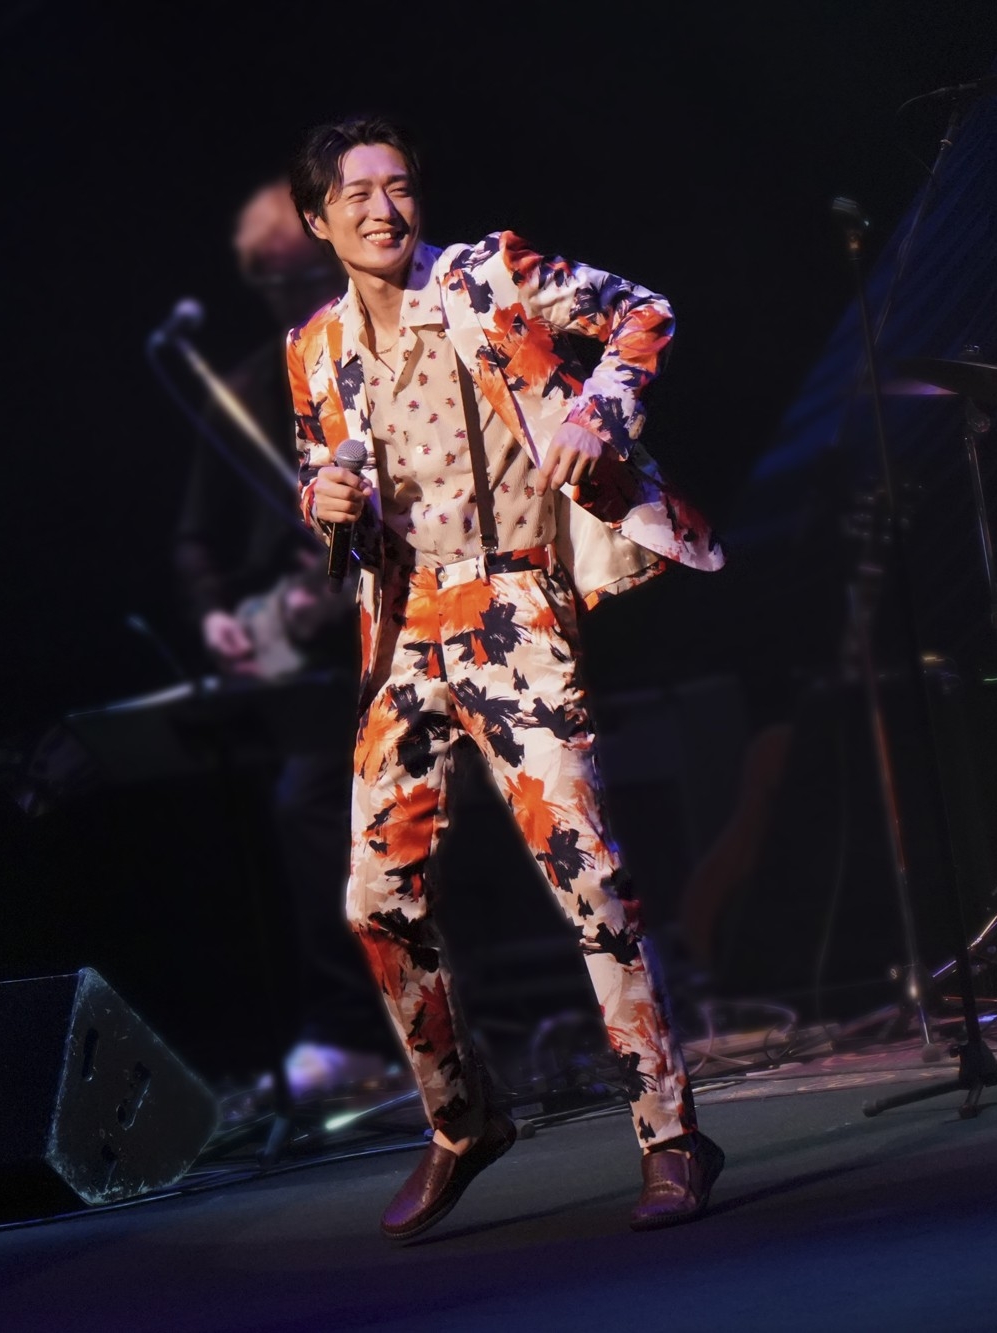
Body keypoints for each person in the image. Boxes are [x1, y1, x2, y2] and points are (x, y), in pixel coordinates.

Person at [286, 114, 726, 1237]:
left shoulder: (489, 276)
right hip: (402, 625)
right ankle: (461, 1116)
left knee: (587, 874)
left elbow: (644, 310)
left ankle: (670, 1133)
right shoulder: (315, 347)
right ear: (318, 221)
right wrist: (319, 501)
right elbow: (320, 471)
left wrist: (594, 411)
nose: (383, 209)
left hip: (510, 602)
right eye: (356, 195)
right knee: (376, 899)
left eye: (397, 186)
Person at [169, 182, 395, 1098]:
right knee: (295, 806)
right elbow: (195, 534)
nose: (287, 300)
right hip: (303, 650)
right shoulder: (253, 383)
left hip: (396, 621)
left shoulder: (382, 352)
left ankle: (378, 1030)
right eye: (269, 286)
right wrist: (215, 610)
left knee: (324, 806)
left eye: (299, 278)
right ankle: (349, 1032)